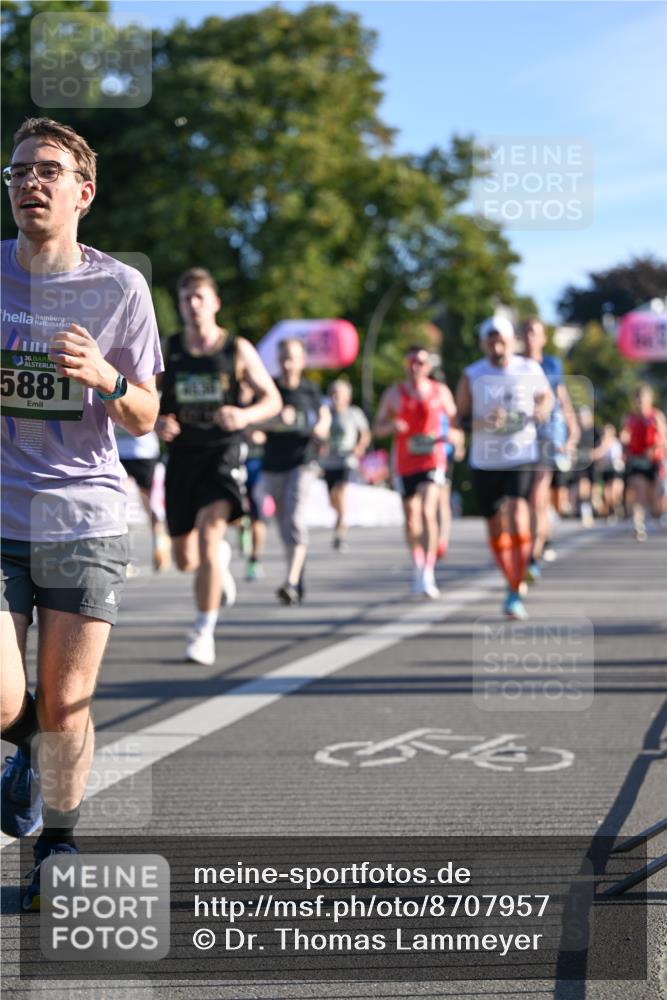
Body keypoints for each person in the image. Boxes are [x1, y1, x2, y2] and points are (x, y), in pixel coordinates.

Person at [0, 118, 163, 909]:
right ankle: (25, 752)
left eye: (49, 172)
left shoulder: (119, 288)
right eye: (19, 171)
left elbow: (145, 417)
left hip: (83, 520)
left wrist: (104, 375)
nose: (31, 182)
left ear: (83, 192)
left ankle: (58, 844)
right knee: (4, 698)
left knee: (66, 704)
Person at [156, 268, 281, 663]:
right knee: (185, 560)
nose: (192, 305)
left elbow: (272, 400)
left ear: (215, 303)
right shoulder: (169, 347)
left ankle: (203, 631)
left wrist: (244, 417)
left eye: (199, 297)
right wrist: (157, 421)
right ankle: (218, 569)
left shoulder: (236, 348)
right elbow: (144, 398)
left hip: (222, 454)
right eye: (185, 298)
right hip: (182, 458)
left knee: (211, 536)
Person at [455, 316, 552, 619]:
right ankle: (511, 577)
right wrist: (484, 423)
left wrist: (541, 409)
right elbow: (461, 417)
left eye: (502, 341)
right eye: (491, 341)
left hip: (521, 454)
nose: (497, 346)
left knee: (519, 513)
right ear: (483, 343)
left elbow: (546, 396)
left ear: (512, 341)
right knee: (496, 525)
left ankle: (514, 588)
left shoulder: (529, 369)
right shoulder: (472, 374)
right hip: (485, 460)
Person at [374, 345, 456, 599]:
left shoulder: (440, 392)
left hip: (432, 459)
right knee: (411, 517)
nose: (416, 366)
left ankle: (429, 570)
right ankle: (418, 564)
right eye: (411, 361)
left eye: (421, 362)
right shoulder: (393, 394)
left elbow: (455, 423)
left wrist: (451, 437)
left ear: (428, 366)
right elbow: (377, 427)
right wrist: (391, 425)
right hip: (405, 462)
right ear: (405, 364)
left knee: (427, 510)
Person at [261, 337, 331, 605]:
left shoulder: (310, 390)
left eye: (293, 357)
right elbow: (251, 424)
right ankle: (298, 575)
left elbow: (324, 415)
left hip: (303, 462)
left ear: (302, 361)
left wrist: (322, 427)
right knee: (283, 525)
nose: (288, 363)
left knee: (295, 519)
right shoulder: (271, 389)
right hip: (273, 464)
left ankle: (290, 582)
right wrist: (274, 421)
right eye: (284, 358)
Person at [522, 317, 579, 576]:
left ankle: (532, 556)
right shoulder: (515, 364)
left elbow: (562, 400)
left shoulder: (552, 365)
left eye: (535, 333)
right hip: (518, 439)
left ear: (544, 338)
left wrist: (572, 431)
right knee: (531, 501)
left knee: (537, 496)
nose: (530, 337)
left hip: (546, 437)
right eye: (526, 332)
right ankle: (541, 538)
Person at [319, 379, 371, 551]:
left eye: (338, 394)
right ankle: (340, 517)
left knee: (340, 493)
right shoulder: (326, 413)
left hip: (346, 460)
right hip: (329, 462)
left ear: (347, 397)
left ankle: (340, 534)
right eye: (332, 393)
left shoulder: (353, 413)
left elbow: (365, 433)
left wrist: (359, 447)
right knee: (332, 499)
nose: (335, 397)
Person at [115, 425, 171, 572]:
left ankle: (160, 545)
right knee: (117, 506)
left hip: (144, 452)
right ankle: (121, 557)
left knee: (151, 504)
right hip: (115, 452)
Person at [620, 385, 667, 541]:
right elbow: (625, 435)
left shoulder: (656, 416)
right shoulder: (630, 417)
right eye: (638, 398)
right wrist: (624, 446)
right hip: (637, 458)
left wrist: (655, 448)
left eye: (643, 397)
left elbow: (664, 439)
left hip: (653, 460)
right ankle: (638, 524)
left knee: (653, 496)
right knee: (638, 490)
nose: (640, 401)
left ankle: (653, 515)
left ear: (650, 399)